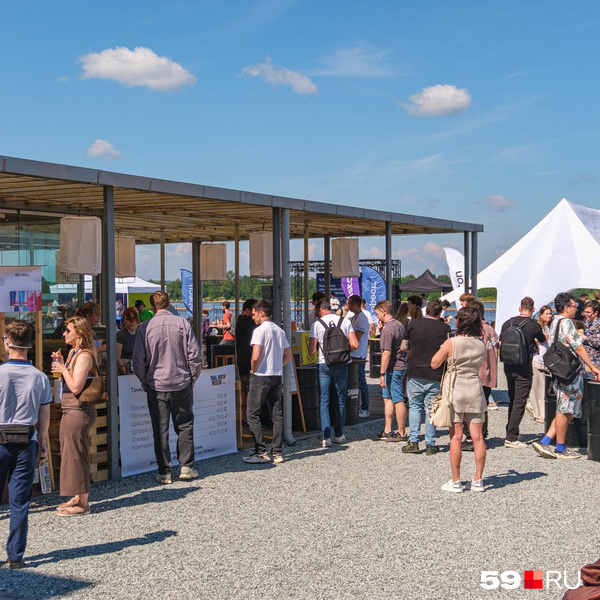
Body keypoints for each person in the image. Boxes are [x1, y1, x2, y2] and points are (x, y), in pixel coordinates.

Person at [133, 291, 202, 483]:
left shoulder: (145, 327)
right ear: (169, 303)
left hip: (157, 384)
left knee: (160, 428)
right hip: (181, 381)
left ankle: (164, 471)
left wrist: (145, 380)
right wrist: (192, 378)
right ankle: (186, 467)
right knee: (185, 425)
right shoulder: (183, 323)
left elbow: (138, 361)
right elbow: (195, 355)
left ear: (152, 307)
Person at [0, 321, 51, 568]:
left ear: (8, 342)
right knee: (20, 502)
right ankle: (15, 557)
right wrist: (42, 441)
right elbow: (44, 414)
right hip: (26, 440)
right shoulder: (40, 377)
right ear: (29, 343)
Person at [533, 293, 600, 459]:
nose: (576, 309)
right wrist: (592, 367)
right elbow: (578, 346)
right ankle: (561, 447)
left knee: (566, 409)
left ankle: (546, 440)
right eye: (573, 306)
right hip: (569, 371)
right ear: (566, 308)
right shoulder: (567, 323)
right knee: (564, 409)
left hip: (559, 369)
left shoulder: (554, 321)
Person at [431, 306, 487, 492]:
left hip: (455, 389)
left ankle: (456, 480)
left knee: (455, 437)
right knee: (478, 437)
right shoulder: (480, 343)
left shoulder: (452, 342)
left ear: (460, 321)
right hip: (474, 388)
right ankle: (478, 479)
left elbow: (434, 363)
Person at [51, 316, 99, 515]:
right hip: (71, 409)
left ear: (79, 334)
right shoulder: (73, 353)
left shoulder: (84, 355)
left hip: (78, 410)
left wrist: (63, 369)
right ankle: (78, 496)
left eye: (68, 330)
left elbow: (76, 387)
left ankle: (83, 504)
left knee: (76, 456)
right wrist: (63, 364)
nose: (64, 334)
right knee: (72, 454)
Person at [243, 301, 292, 464]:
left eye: (254, 314)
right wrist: (277, 365)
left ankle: (261, 451)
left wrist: (253, 370)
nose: (253, 317)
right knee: (276, 414)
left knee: (252, 413)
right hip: (276, 375)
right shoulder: (279, 330)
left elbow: (255, 356)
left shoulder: (259, 331)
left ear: (261, 313)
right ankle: (277, 452)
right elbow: (288, 355)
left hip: (261, 375)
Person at [401, 299, 450, 455]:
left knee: (414, 406)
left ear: (426, 310)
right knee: (431, 409)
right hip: (435, 372)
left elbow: (403, 346)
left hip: (415, 370)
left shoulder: (413, 324)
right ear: (440, 313)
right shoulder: (444, 328)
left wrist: (414, 350)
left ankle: (413, 441)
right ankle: (430, 444)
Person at [308, 300, 358, 449]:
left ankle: (326, 438)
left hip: (324, 364)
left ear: (320, 311)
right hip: (342, 364)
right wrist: (343, 350)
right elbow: (355, 344)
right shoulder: (345, 322)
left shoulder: (317, 324)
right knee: (340, 399)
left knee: (324, 400)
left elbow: (312, 350)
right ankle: (339, 435)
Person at [500, 297, 546, 448]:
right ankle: (511, 437)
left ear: (519, 308)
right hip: (523, 366)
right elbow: (543, 340)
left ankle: (511, 430)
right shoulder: (534, 325)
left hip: (508, 365)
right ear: (533, 309)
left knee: (513, 398)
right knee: (520, 400)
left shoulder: (507, 323)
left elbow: (500, 342)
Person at [376, 300, 408, 442]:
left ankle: (401, 432)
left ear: (383, 311)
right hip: (401, 364)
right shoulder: (399, 325)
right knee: (388, 397)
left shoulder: (388, 329)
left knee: (397, 399)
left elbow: (386, 353)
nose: (377, 316)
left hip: (393, 368)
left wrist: (382, 373)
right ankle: (388, 430)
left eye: (377, 313)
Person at [346, 295, 370, 418]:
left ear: (354, 304)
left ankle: (365, 407)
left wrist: (348, 345)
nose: (347, 306)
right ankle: (355, 406)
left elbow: (356, 338)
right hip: (352, 354)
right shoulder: (353, 317)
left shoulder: (362, 319)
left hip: (358, 355)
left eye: (348, 304)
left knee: (360, 381)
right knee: (352, 381)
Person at [528, 305, 553, 423]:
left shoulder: (550, 327)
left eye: (550, 313)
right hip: (537, 357)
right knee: (537, 387)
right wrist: (540, 339)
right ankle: (539, 413)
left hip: (547, 360)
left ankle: (539, 410)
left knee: (544, 387)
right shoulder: (537, 327)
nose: (549, 316)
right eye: (547, 313)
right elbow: (532, 338)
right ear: (541, 315)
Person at [235, 299, 258, 423]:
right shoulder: (248, 323)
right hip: (249, 361)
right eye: (254, 311)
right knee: (250, 390)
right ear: (248, 310)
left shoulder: (239, 321)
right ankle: (249, 418)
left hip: (241, 360)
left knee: (244, 390)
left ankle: (243, 417)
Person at [116, 307, 139, 375]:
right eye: (128, 319)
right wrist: (126, 373)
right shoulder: (120, 335)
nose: (131, 322)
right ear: (124, 320)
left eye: (133, 318)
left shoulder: (140, 333)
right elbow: (117, 358)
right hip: (125, 372)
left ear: (137, 319)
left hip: (138, 370)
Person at [583, 299, 600, 366]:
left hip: (595, 361)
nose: (586, 314)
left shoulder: (598, 324)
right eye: (585, 312)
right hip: (587, 360)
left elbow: (598, 342)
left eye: (588, 312)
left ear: (596, 313)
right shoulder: (589, 323)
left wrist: (585, 338)